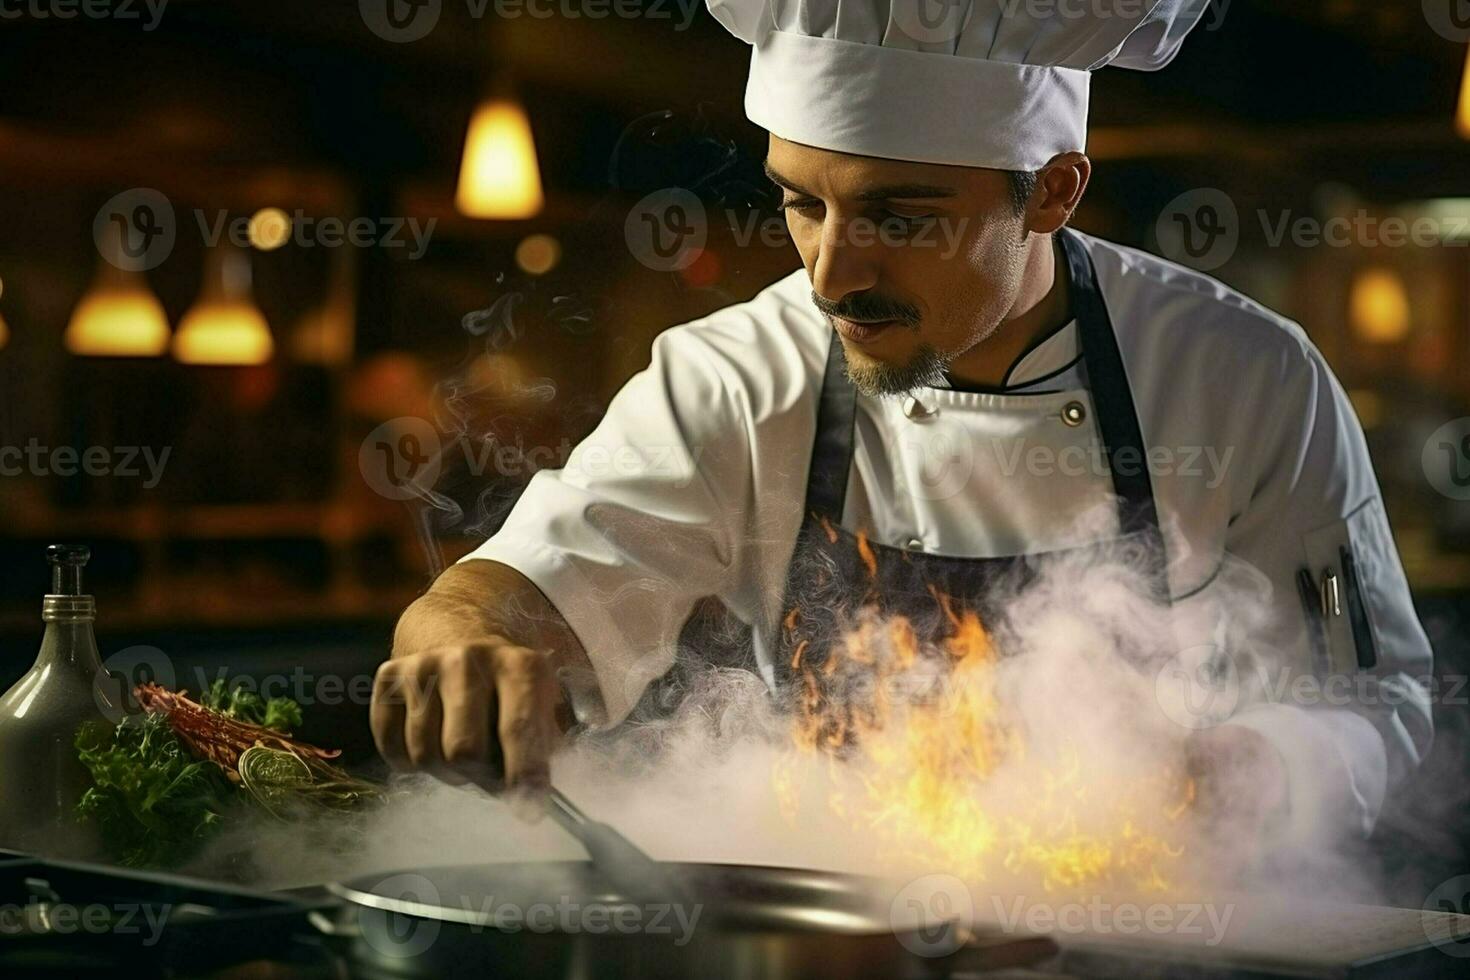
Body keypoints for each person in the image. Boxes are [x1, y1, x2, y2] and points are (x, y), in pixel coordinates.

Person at [372, 0, 1432, 848]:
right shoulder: (737, 376)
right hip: (839, 928)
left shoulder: (1244, 378)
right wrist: (462, 643)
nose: (834, 272)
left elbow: (1376, 703)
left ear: (1054, 191)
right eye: (802, 203)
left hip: (1152, 927)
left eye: (900, 215)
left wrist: (1231, 774)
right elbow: (512, 594)